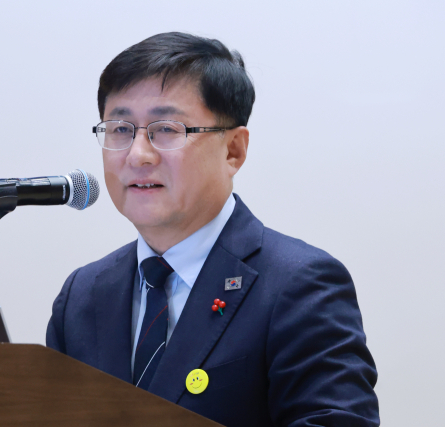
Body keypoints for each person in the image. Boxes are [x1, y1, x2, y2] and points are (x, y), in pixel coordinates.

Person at [46, 32, 379, 426]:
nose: (138, 154)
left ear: (233, 150)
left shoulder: (300, 284)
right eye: (120, 129)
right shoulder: (83, 294)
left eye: (166, 129)